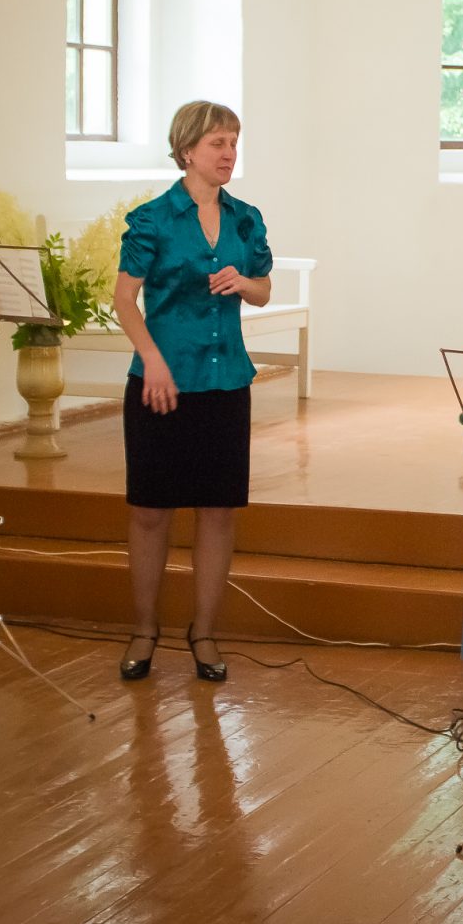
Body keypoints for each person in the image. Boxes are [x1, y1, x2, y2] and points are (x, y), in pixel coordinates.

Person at [111, 101, 273, 683]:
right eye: (217, 143)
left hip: (225, 382)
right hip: (161, 383)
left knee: (217, 511)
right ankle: (143, 630)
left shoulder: (246, 219)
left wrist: (245, 282)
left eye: (233, 141)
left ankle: (204, 633)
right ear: (186, 151)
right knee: (151, 512)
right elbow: (124, 300)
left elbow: (263, 289)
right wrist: (152, 360)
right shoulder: (153, 219)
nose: (229, 153)